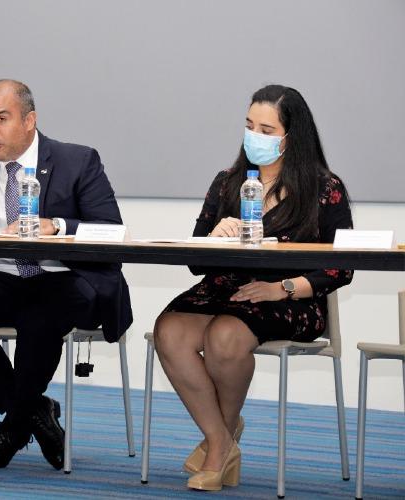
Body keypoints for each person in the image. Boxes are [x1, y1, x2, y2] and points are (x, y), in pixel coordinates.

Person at [0, 79, 133, 470]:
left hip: (63, 275)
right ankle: (35, 411)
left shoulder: (77, 160)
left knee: (39, 318)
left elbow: (111, 228)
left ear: (29, 120)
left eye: (1, 119)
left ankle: (12, 428)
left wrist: (58, 226)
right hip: (1, 275)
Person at [153, 84, 353, 491]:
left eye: (266, 130)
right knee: (169, 330)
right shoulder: (227, 183)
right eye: (249, 126)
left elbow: (341, 267)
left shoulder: (324, 188)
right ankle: (222, 438)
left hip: (290, 298)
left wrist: (283, 287)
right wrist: (214, 238)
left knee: (225, 334)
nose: (254, 137)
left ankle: (216, 450)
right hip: (224, 291)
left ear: (290, 137)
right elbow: (195, 260)